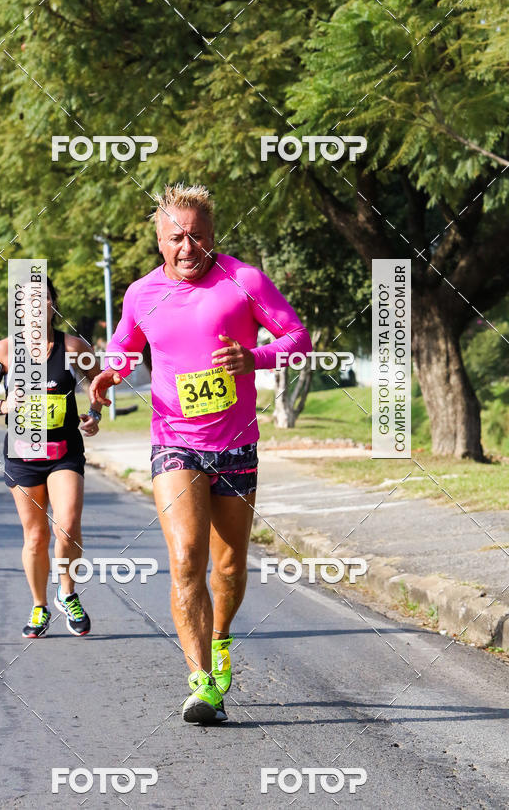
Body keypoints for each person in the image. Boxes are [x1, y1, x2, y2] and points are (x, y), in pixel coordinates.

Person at [90, 184, 312, 723]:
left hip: (236, 444)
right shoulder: (141, 293)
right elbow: (126, 347)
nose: (187, 246)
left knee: (230, 565)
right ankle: (200, 681)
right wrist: (106, 377)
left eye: (197, 236)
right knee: (187, 555)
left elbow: (298, 340)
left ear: (212, 237)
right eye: (176, 237)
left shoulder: (245, 281)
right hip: (175, 442)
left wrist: (253, 357)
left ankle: (221, 638)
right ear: (159, 240)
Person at [0, 279, 104, 638]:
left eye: (43, 299)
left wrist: (95, 413)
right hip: (23, 453)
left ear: (53, 305)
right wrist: (3, 405)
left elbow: (101, 380)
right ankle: (39, 605)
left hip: (64, 451)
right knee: (35, 537)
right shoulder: (2, 351)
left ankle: (67, 593)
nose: (36, 307)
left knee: (68, 524)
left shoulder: (74, 346)